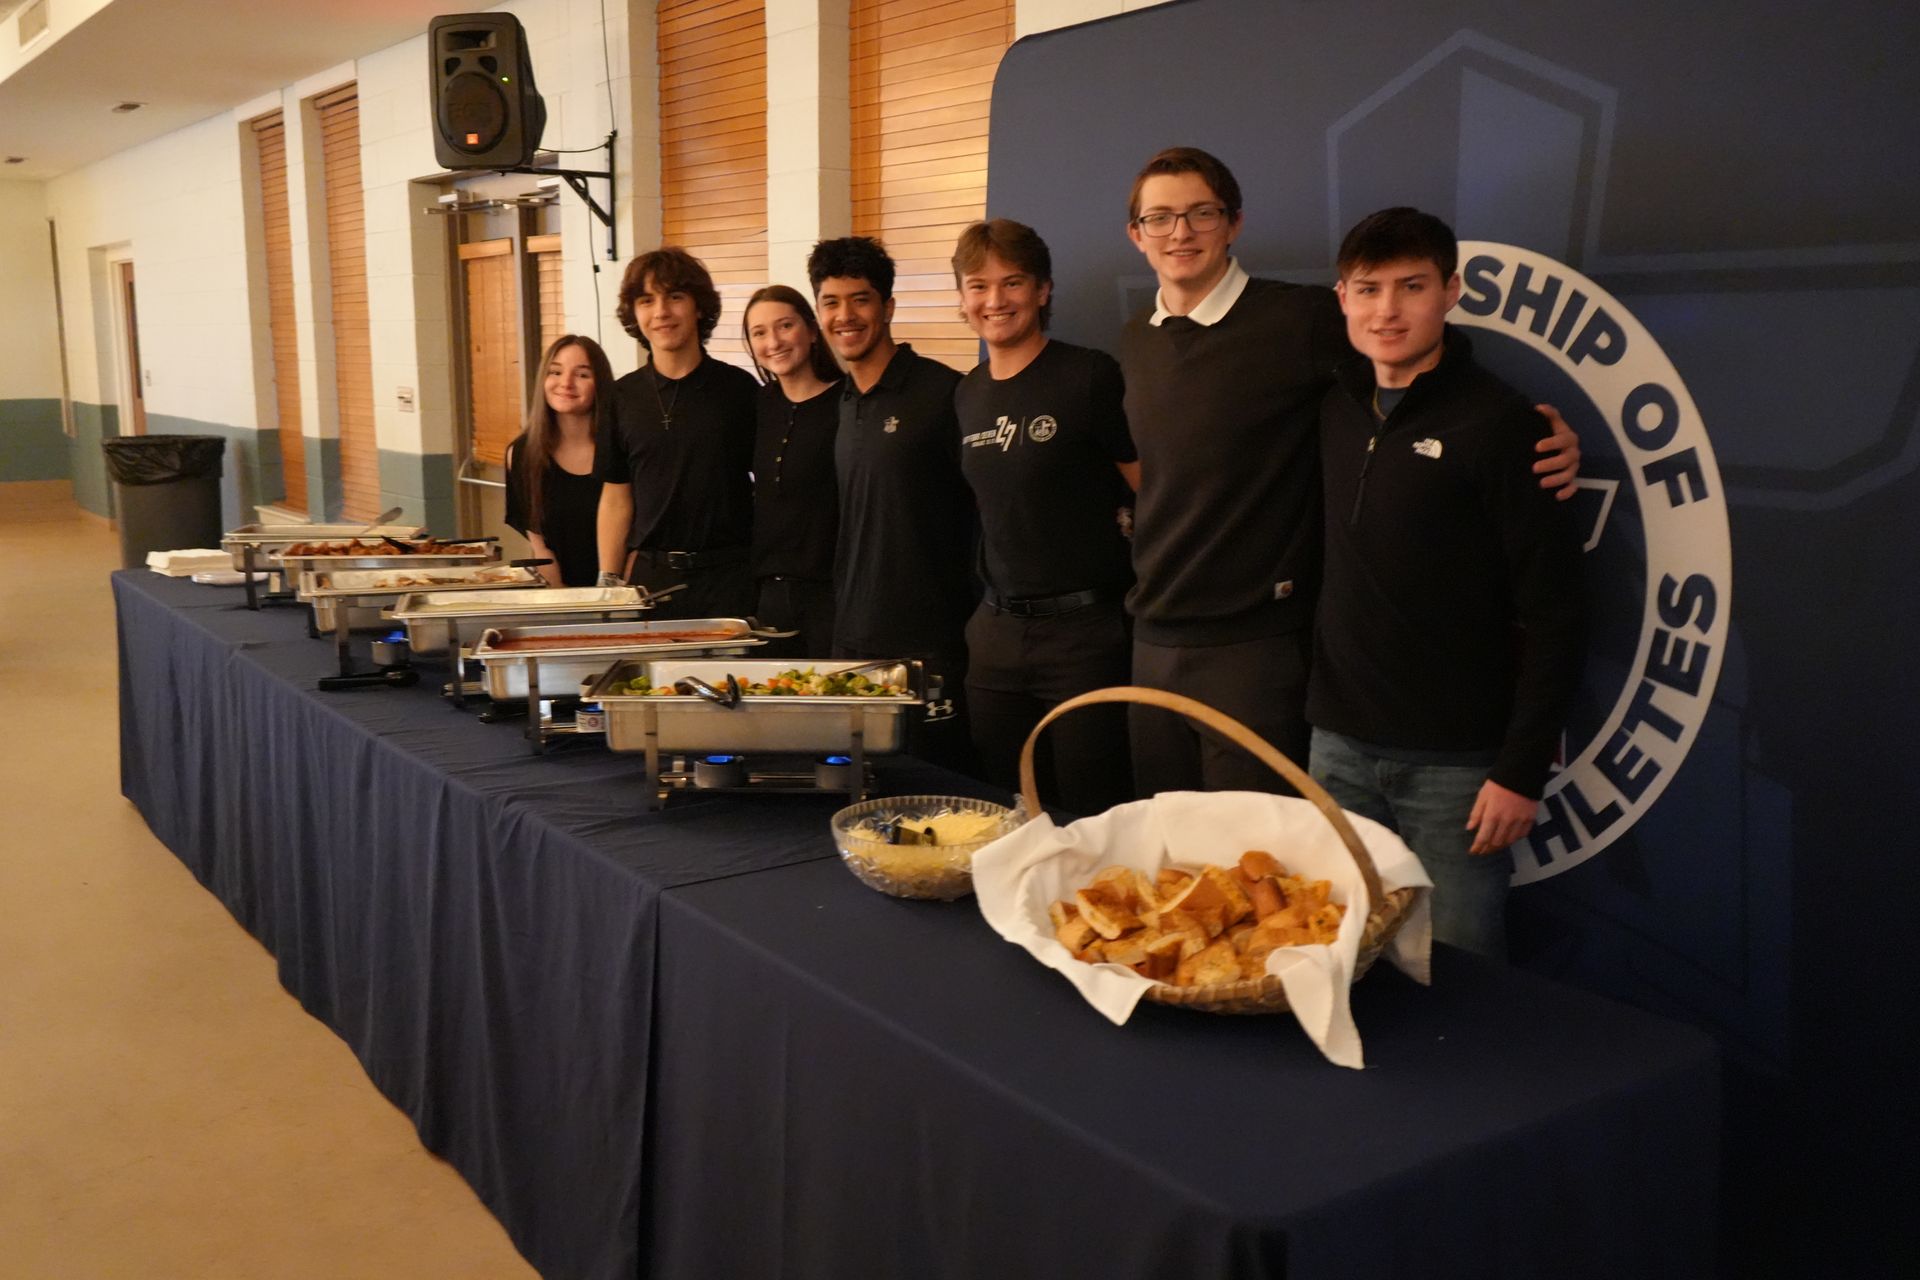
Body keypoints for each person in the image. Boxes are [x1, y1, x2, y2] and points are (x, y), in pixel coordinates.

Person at [1117, 146, 1582, 795]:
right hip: (1153, 636)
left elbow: (1419, 368)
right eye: (1160, 218)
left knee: (1249, 848)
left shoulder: (1303, 320)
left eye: (1201, 213)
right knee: (1160, 839)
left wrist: (1538, 433)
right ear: (1136, 234)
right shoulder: (1135, 338)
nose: (1181, 232)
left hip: (1259, 645)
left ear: (1234, 223)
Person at [1307, 207, 1585, 959]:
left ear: (1451, 291)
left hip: (1455, 767)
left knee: (1462, 972)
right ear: (1342, 297)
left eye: (1412, 286)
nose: (1387, 311)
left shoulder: (1503, 424)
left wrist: (1520, 771)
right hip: (1337, 746)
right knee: (1336, 953)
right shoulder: (1332, 405)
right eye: (1369, 289)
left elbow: (1558, 613)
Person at [950, 218, 1137, 814]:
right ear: (963, 298)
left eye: (1012, 282)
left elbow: (1149, 489)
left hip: (1084, 636)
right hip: (996, 637)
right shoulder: (967, 393)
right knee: (1006, 811)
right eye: (978, 286)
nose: (995, 300)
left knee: (1091, 815)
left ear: (1042, 290)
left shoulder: (1089, 375)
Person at [807, 236, 979, 774]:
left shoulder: (945, 393)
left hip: (932, 647)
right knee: (865, 792)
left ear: (888, 308)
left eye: (860, 299)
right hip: (854, 643)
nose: (845, 316)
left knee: (941, 796)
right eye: (831, 302)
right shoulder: (844, 401)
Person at [594, 246, 757, 620]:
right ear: (634, 314)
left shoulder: (740, 390)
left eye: (675, 297)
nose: (661, 312)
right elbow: (616, 498)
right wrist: (609, 582)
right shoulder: (621, 396)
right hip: (652, 580)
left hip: (730, 577)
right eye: (646, 300)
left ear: (699, 307)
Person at [742, 284, 843, 656]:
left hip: (833, 594)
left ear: (812, 330)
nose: (773, 342)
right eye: (759, 333)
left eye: (785, 326)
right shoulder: (759, 404)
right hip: (770, 595)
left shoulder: (848, 402)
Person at [503, 335, 614, 588]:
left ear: (600, 384)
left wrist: (615, 591)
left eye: (582, 375)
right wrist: (561, 596)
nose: (566, 383)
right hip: (557, 589)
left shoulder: (623, 448)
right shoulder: (522, 454)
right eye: (555, 372)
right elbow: (539, 544)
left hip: (623, 586)